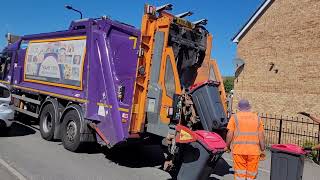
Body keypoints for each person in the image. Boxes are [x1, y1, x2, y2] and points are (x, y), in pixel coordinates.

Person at [225, 99, 265, 180]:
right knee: (251, 175)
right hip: (254, 152)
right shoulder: (257, 118)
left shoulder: (235, 117)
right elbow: (261, 135)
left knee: (240, 175)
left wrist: (227, 146)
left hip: (239, 150)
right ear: (249, 107)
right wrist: (262, 149)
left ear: (239, 108)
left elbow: (230, 133)